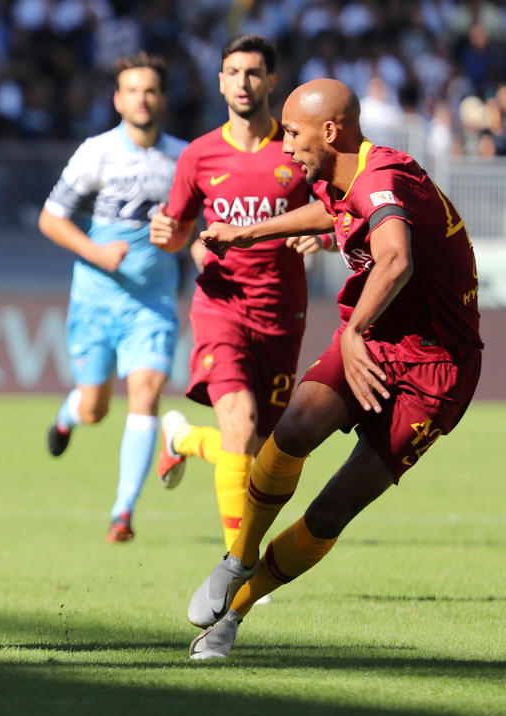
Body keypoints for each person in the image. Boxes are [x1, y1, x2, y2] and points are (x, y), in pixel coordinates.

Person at [186, 78, 482, 660]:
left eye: (293, 133)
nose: (284, 145)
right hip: (380, 337)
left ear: (329, 131)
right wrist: (247, 233)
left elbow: (395, 257)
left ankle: (235, 612)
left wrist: (351, 330)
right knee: (294, 429)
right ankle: (238, 556)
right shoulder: (342, 177)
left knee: (331, 508)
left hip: (437, 369)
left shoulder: (383, 177)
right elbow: (332, 210)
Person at [149, 34, 330, 552]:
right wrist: (172, 238)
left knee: (258, 449)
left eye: (253, 72)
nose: (243, 82)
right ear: (220, 82)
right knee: (240, 426)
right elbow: (179, 231)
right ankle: (240, 567)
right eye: (233, 72)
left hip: (282, 311)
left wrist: (321, 238)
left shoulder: (297, 151)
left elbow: (339, 211)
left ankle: (183, 439)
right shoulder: (199, 155)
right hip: (221, 305)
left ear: (271, 80)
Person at [40, 51, 190, 543]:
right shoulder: (96, 152)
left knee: (146, 393)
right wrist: (97, 253)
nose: (141, 99)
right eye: (132, 90)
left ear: (162, 99)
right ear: (118, 100)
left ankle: (122, 512)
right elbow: (50, 219)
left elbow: (194, 228)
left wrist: (182, 239)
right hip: (96, 302)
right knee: (95, 409)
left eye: (150, 90)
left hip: (153, 303)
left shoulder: (185, 158)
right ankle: (68, 415)